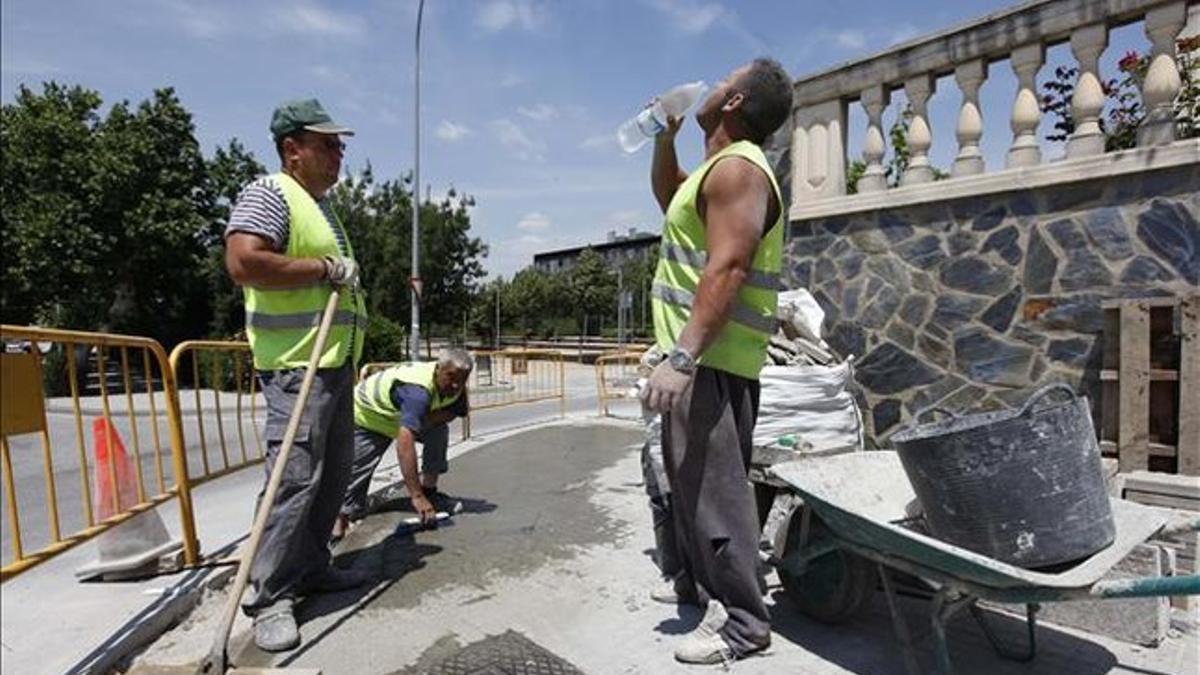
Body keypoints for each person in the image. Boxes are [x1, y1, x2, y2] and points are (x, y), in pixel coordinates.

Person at [639, 58, 793, 665]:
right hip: (702, 359)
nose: (710, 84)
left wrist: (683, 357)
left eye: (724, 79)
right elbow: (672, 197)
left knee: (714, 495)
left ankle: (743, 625)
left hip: (711, 361)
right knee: (686, 486)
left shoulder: (739, 169)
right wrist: (664, 138)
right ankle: (702, 590)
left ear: (733, 102)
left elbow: (727, 267)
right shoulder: (716, 170)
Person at [224, 98, 369, 652]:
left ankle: (310, 567)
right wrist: (323, 268)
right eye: (328, 144)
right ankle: (269, 596)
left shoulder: (319, 206)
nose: (339, 154)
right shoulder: (270, 193)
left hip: (332, 364)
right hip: (297, 367)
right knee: (293, 478)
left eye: (340, 146)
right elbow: (243, 262)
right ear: (293, 149)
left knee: (331, 476)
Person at [333, 349, 473, 538]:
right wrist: (416, 497)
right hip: (369, 415)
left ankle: (429, 491)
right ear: (438, 369)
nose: (456, 384)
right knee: (358, 469)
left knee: (438, 432)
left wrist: (422, 421)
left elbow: (452, 412)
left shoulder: (456, 389)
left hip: (398, 415)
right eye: (451, 377)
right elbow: (404, 445)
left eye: (462, 379)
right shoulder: (418, 392)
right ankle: (341, 519)